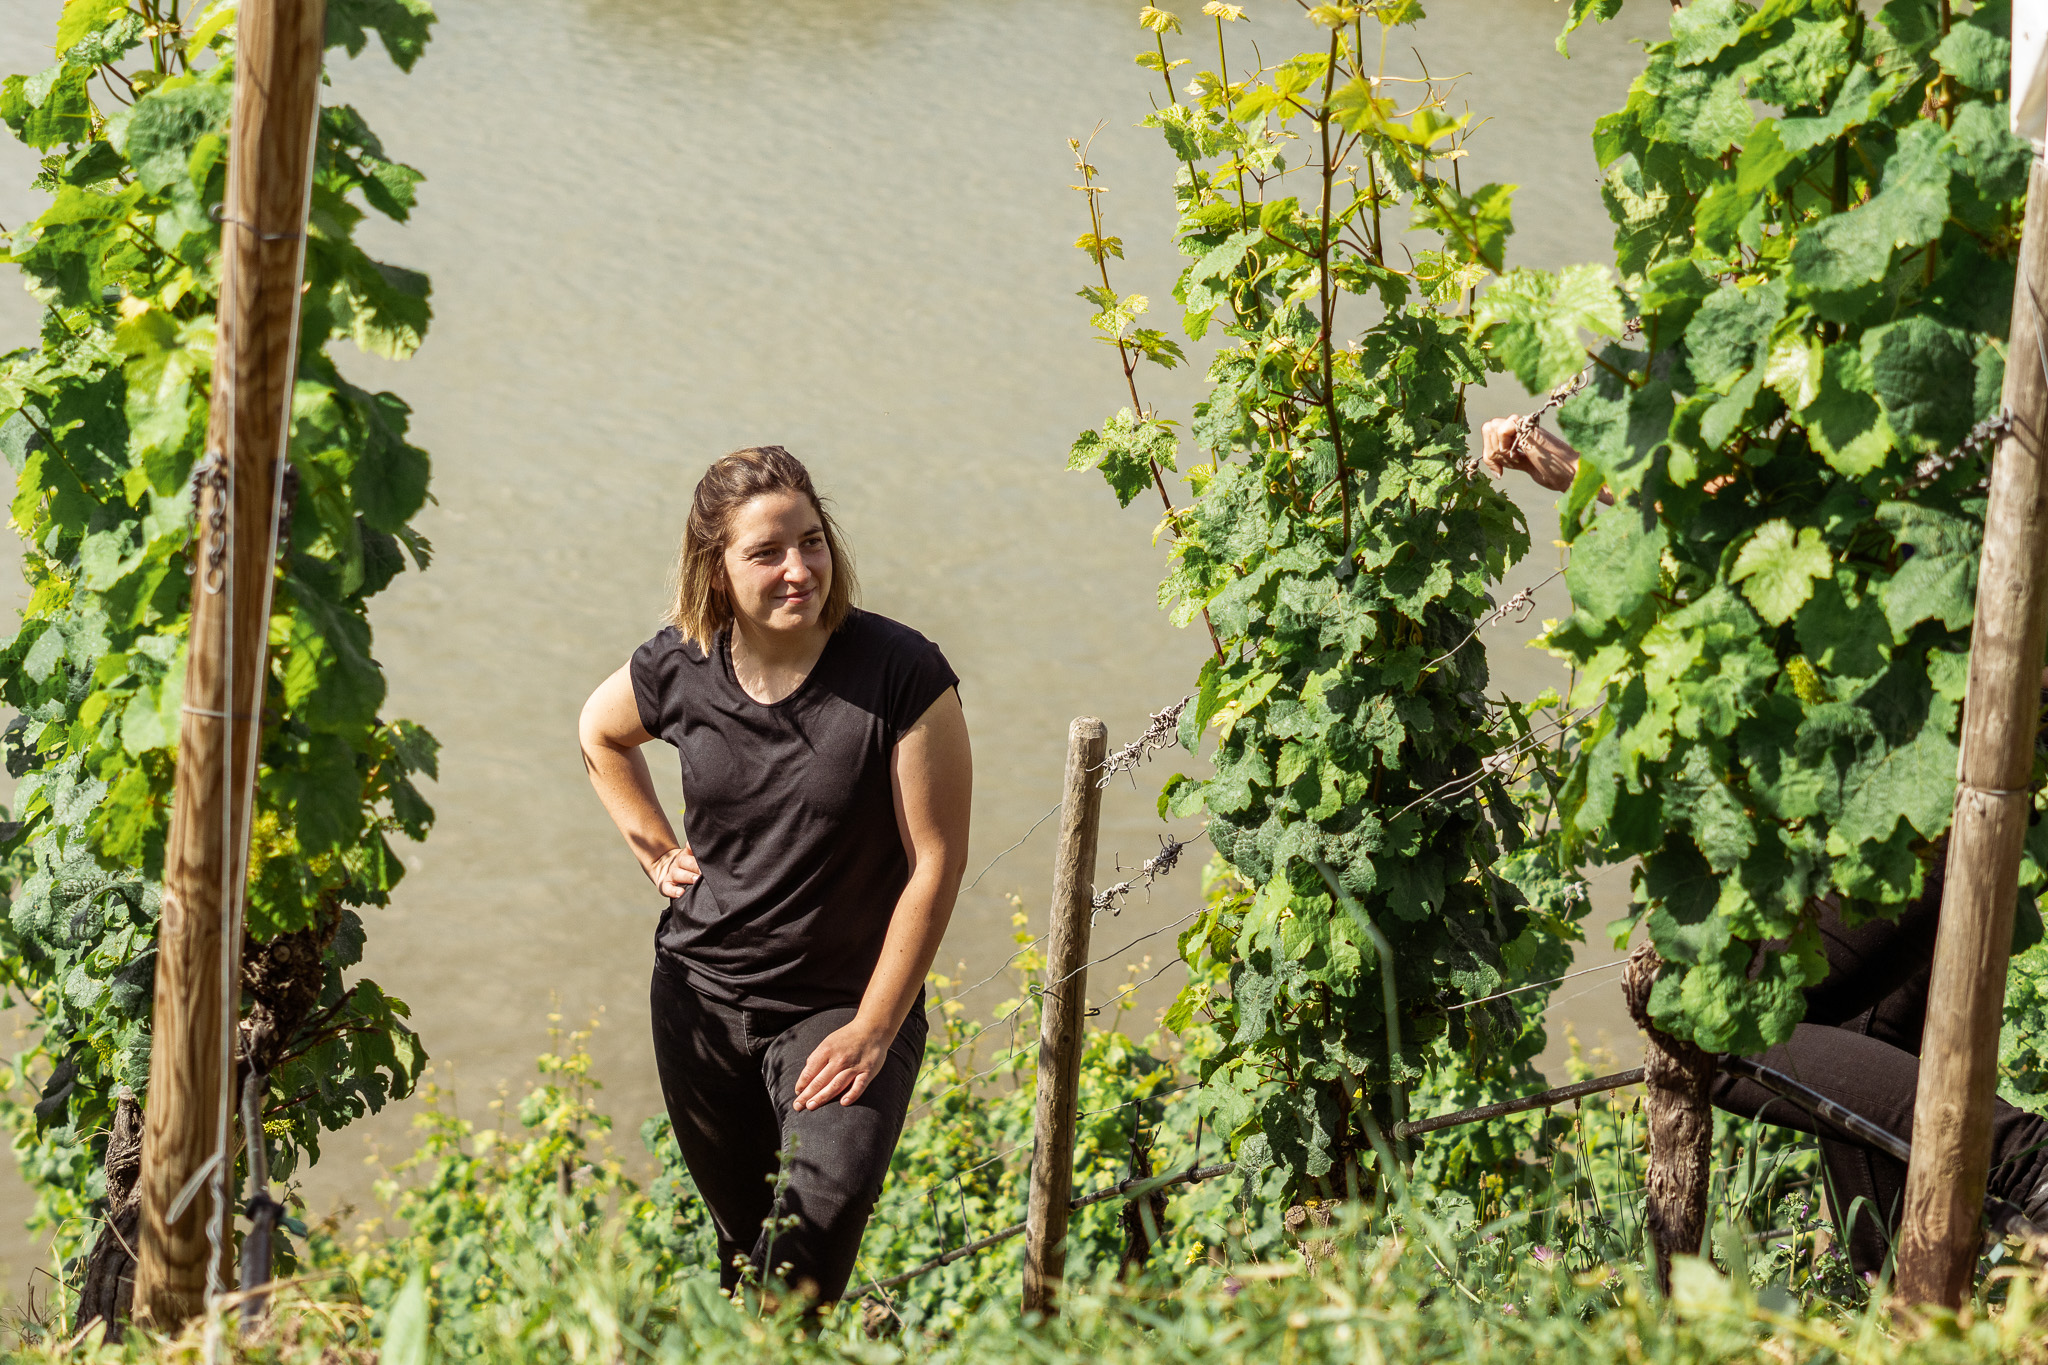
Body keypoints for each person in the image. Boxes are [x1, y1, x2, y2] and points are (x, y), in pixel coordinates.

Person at [1481, 416, 2048, 1277]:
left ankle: (2024, 1159)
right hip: (1960, 768)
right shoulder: (1989, 382)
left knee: (1699, 1010)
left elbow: (1761, 518)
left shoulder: (1910, 396)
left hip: (1924, 777)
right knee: (1868, 1046)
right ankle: (1904, 1292)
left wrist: (1582, 473)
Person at [578, 446, 973, 1302]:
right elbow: (598, 732)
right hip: (700, 1002)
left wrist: (876, 1027)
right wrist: (657, 850)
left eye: (812, 540)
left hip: (840, 1008)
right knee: (742, 1251)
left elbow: (936, 861)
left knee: (802, 1263)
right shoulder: (682, 663)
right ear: (715, 569)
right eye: (766, 553)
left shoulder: (901, 672)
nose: (799, 569)